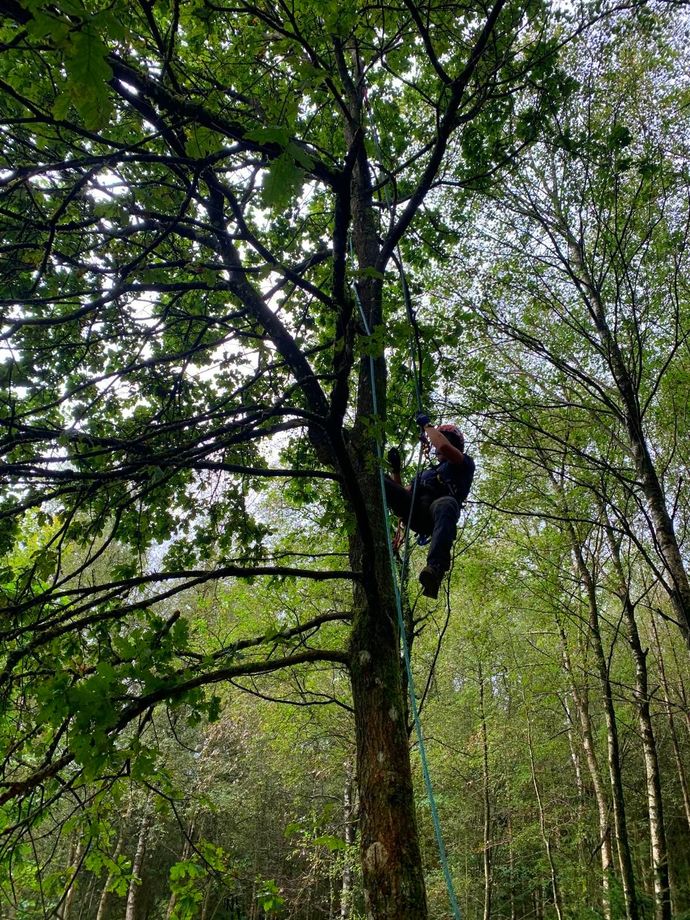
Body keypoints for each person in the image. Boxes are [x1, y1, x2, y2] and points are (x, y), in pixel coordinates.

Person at [385, 413, 475, 599]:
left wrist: (427, 425)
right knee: (382, 481)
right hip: (416, 511)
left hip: (437, 514)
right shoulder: (425, 474)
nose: (437, 447)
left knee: (446, 503)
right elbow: (403, 493)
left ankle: (435, 568)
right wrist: (395, 471)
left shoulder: (463, 462)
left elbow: (442, 445)